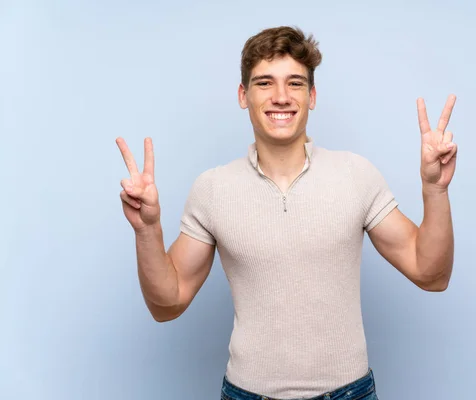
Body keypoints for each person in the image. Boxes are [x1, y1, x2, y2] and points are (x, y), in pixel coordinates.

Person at [116, 26, 458, 400]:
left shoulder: (356, 175)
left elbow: (432, 274)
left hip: (349, 393)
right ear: (243, 95)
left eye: (294, 83)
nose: (281, 97)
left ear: (311, 96)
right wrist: (147, 230)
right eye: (265, 83)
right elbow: (168, 303)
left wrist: (435, 189)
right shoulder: (213, 189)